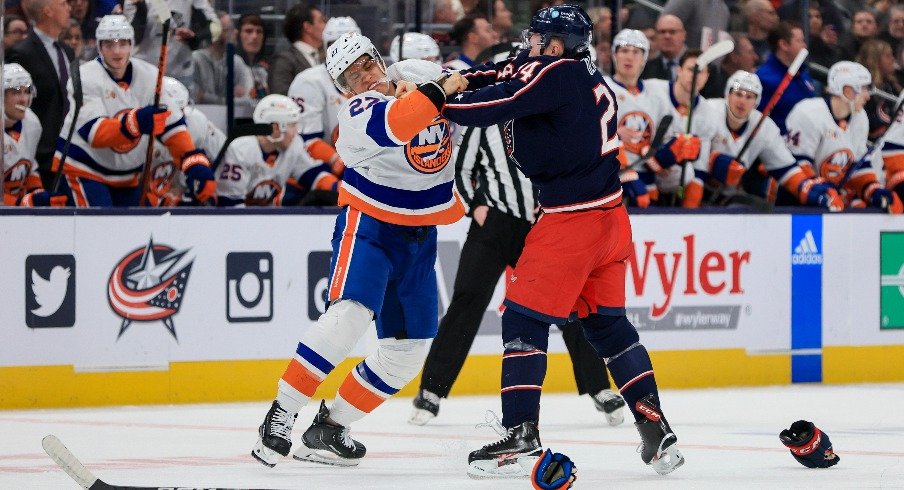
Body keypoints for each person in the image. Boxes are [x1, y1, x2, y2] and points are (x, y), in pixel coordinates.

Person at [442, 4, 684, 479]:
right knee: (608, 328)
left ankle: (520, 435)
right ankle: (655, 428)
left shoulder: (554, 74)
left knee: (523, 321)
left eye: (537, 38)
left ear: (555, 44)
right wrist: (464, 77)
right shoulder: (573, 69)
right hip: (610, 219)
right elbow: (505, 70)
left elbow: (494, 105)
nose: (529, 43)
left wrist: (434, 100)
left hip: (570, 220)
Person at [250, 32, 468, 467]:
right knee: (348, 317)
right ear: (344, 88)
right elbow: (400, 123)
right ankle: (282, 413)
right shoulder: (355, 113)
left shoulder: (414, 74)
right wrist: (437, 90)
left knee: (409, 350)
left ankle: (329, 427)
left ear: (379, 59)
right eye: (353, 75)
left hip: (421, 234)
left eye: (368, 64)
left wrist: (448, 82)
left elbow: (465, 87)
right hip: (371, 226)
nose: (366, 76)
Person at [409, 42, 627, 428]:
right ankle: (432, 390)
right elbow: (461, 166)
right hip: (495, 223)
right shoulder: (493, 114)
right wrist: (477, 205)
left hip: (545, 225)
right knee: (467, 301)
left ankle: (598, 386)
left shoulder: (557, 114)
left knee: (573, 305)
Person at [55, 15, 217, 207]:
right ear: (99, 47)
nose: (117, 51)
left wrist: (193, 163)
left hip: (127, 176)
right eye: (109, 44)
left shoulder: (150, 76)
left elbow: (172, 125)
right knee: (100, 227)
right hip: (83, 168)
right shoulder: (84, 76)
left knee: (132, 231)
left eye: (123, 43)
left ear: (131, 45)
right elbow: (95, 133)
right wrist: (136, 121)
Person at [683, 71, 842, 211]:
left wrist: (815, 193)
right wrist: (714, 163)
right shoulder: (708, 111)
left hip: (727, 196)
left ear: (756, 102)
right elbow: (687, 152)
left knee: (762, 209)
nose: (742, 101)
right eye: (738, 94)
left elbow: (787, 170)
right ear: (727, 95)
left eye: (749, 97)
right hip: (688, 186)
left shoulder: (764, 127)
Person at [785, 61, 901, 213]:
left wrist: (873, 190)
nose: (868, 96)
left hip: (832, 194)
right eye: (865, 89)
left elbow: (857, 165)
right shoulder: (808, 113)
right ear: (847, 91)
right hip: (792, 194)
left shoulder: (860, 118)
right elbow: (795, 165)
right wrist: (820, 191)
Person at [216, 94, 336, 207]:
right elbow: (229, 204)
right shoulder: (240, 150)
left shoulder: (293, 145)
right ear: (276, 127)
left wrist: (340, 189)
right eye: (292, 125)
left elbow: (311, 174)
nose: (296, 132)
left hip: (265, 219)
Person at [5, 0, 73, 188]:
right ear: (47, 11)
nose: (69, 7)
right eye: (63, 3)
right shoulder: (21, 53)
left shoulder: (67, 51)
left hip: (69, 153)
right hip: (39, 156)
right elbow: (13, 105)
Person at [605, 29, 673, 208]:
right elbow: (586, 131)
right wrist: (615, 134)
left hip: (648, 171)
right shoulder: (601, 87)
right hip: (610, 174)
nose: (629, 57)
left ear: (644, 58)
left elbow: (666, 136)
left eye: (636, 52)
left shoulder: (657, 94)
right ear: (615, 55)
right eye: (624, 50)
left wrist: (667, 157)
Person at [287, 16, 361, 178]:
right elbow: (305, 140)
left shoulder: (370, 78)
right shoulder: (308, 81)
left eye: (351, 45)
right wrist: (339, 161)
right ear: (328, 47)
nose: (344, 52)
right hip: (321, 169)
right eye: (337, 45)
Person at [3, 63, 67, 207]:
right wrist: (23, 203)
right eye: (16, 92)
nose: (23, 99)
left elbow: (29, 168)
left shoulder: (31, 123)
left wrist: (37, 192)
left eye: (26, 92)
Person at [124, 0, 219, 95]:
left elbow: (215, 28)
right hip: (145, 71)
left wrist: (195, 38)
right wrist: (140, 8)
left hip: (180, 71)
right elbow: (132, 38)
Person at [756, 22, 815, 134]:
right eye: (799, 41)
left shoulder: (803, 73)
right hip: (779, 143)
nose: (804, 46)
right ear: (784, 45)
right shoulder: (764, 78)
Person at [192, 11, 254, 108]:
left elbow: (247, 100)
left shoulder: (236, 62)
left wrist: (206, 97)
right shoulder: (196, 59)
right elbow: (194, 97)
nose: (236, 32)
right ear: (215, 33)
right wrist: (230, 100)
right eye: (229, 29)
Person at [268, 3, 325, 96]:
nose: (325, 25)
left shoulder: (325, 59)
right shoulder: (284, 61)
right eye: (321, 21)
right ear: (308, 27)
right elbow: (279, 97)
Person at [640, 14, 686, 82]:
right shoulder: (646, 69)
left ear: (683, 35)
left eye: (672, 32)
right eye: (662, 32)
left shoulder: (697, 64)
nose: (667, 36)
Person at [237, 13, 270, 100]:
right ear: (238, 35)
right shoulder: (229, 65)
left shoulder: (267, 68)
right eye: (249, 31)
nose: (255, 36)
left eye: (259, 32)